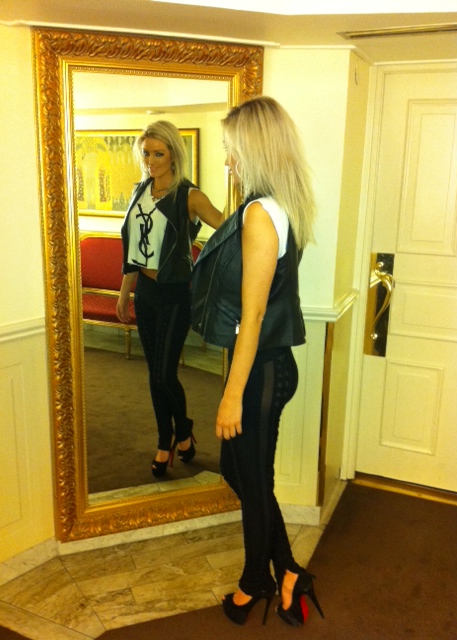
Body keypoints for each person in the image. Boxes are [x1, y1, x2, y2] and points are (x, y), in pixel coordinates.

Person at [191, 97, 324, 627]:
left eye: (232, 150)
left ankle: (256, 582)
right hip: (266, 368)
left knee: (250, 477)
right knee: (242, 471)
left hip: (262, 372)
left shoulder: (260, 214)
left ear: (255, 151)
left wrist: (231, 396)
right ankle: (287, 571)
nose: (227, 160)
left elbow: (253, 316)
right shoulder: (272, 207)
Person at [116, 120, 223, 478]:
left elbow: (228, 229)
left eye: (158, 154)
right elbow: (134, 248)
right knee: (155, 374)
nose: (150, 161)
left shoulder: (190, 196)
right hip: (145, 293)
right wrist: (125, 292)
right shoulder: (140, 191)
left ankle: (179, 432)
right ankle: (173, 438)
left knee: (164, 373)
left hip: (175, 293)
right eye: (146, 153)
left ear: (174, 155)